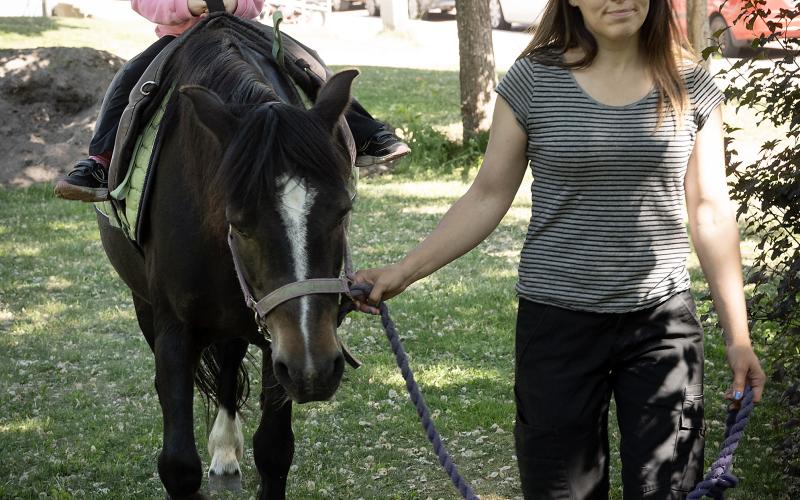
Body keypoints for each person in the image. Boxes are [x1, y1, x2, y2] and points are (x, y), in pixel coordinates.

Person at [353, 0, 766, 498]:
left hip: (662, 324)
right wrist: (405, 270)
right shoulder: (533, 80)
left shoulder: (690, 82)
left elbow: (711, 211)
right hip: (556, 324)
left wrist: (738, 337)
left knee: (670, 489)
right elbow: (488, 195)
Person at [53, 0, 409, 202]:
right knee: (130, 77)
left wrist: (235, 3)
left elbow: (255, 3)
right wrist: (188, 6)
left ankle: (365, 132)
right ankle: (100, 159)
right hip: (183, 37)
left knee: (308, 62)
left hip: (243, 33)